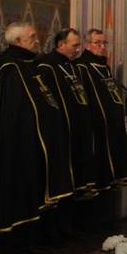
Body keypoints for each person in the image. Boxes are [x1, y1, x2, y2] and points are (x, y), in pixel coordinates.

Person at [0, 22, 73, 254]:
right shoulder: (10, 68)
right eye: (31, 37)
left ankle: (28, 242)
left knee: (35, 193)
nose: (36, 40)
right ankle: (14, 247)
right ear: (17, 41)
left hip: (34, 142)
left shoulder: (28, 66)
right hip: (17, 145)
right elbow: (15, 110)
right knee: (19, 193)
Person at [38, 28, 94, 195]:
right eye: (74, 45)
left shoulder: (74, 67)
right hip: (61, 130)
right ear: (60, 44)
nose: (78, 50)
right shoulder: (47, 67)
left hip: (78, 128)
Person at [74, 29, 127, 191]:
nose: (101, 46)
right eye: (97, 43)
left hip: (110, 124)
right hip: (96, 124)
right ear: (87, 45)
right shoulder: (82, 66)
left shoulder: (103, 66)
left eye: (103, 43)